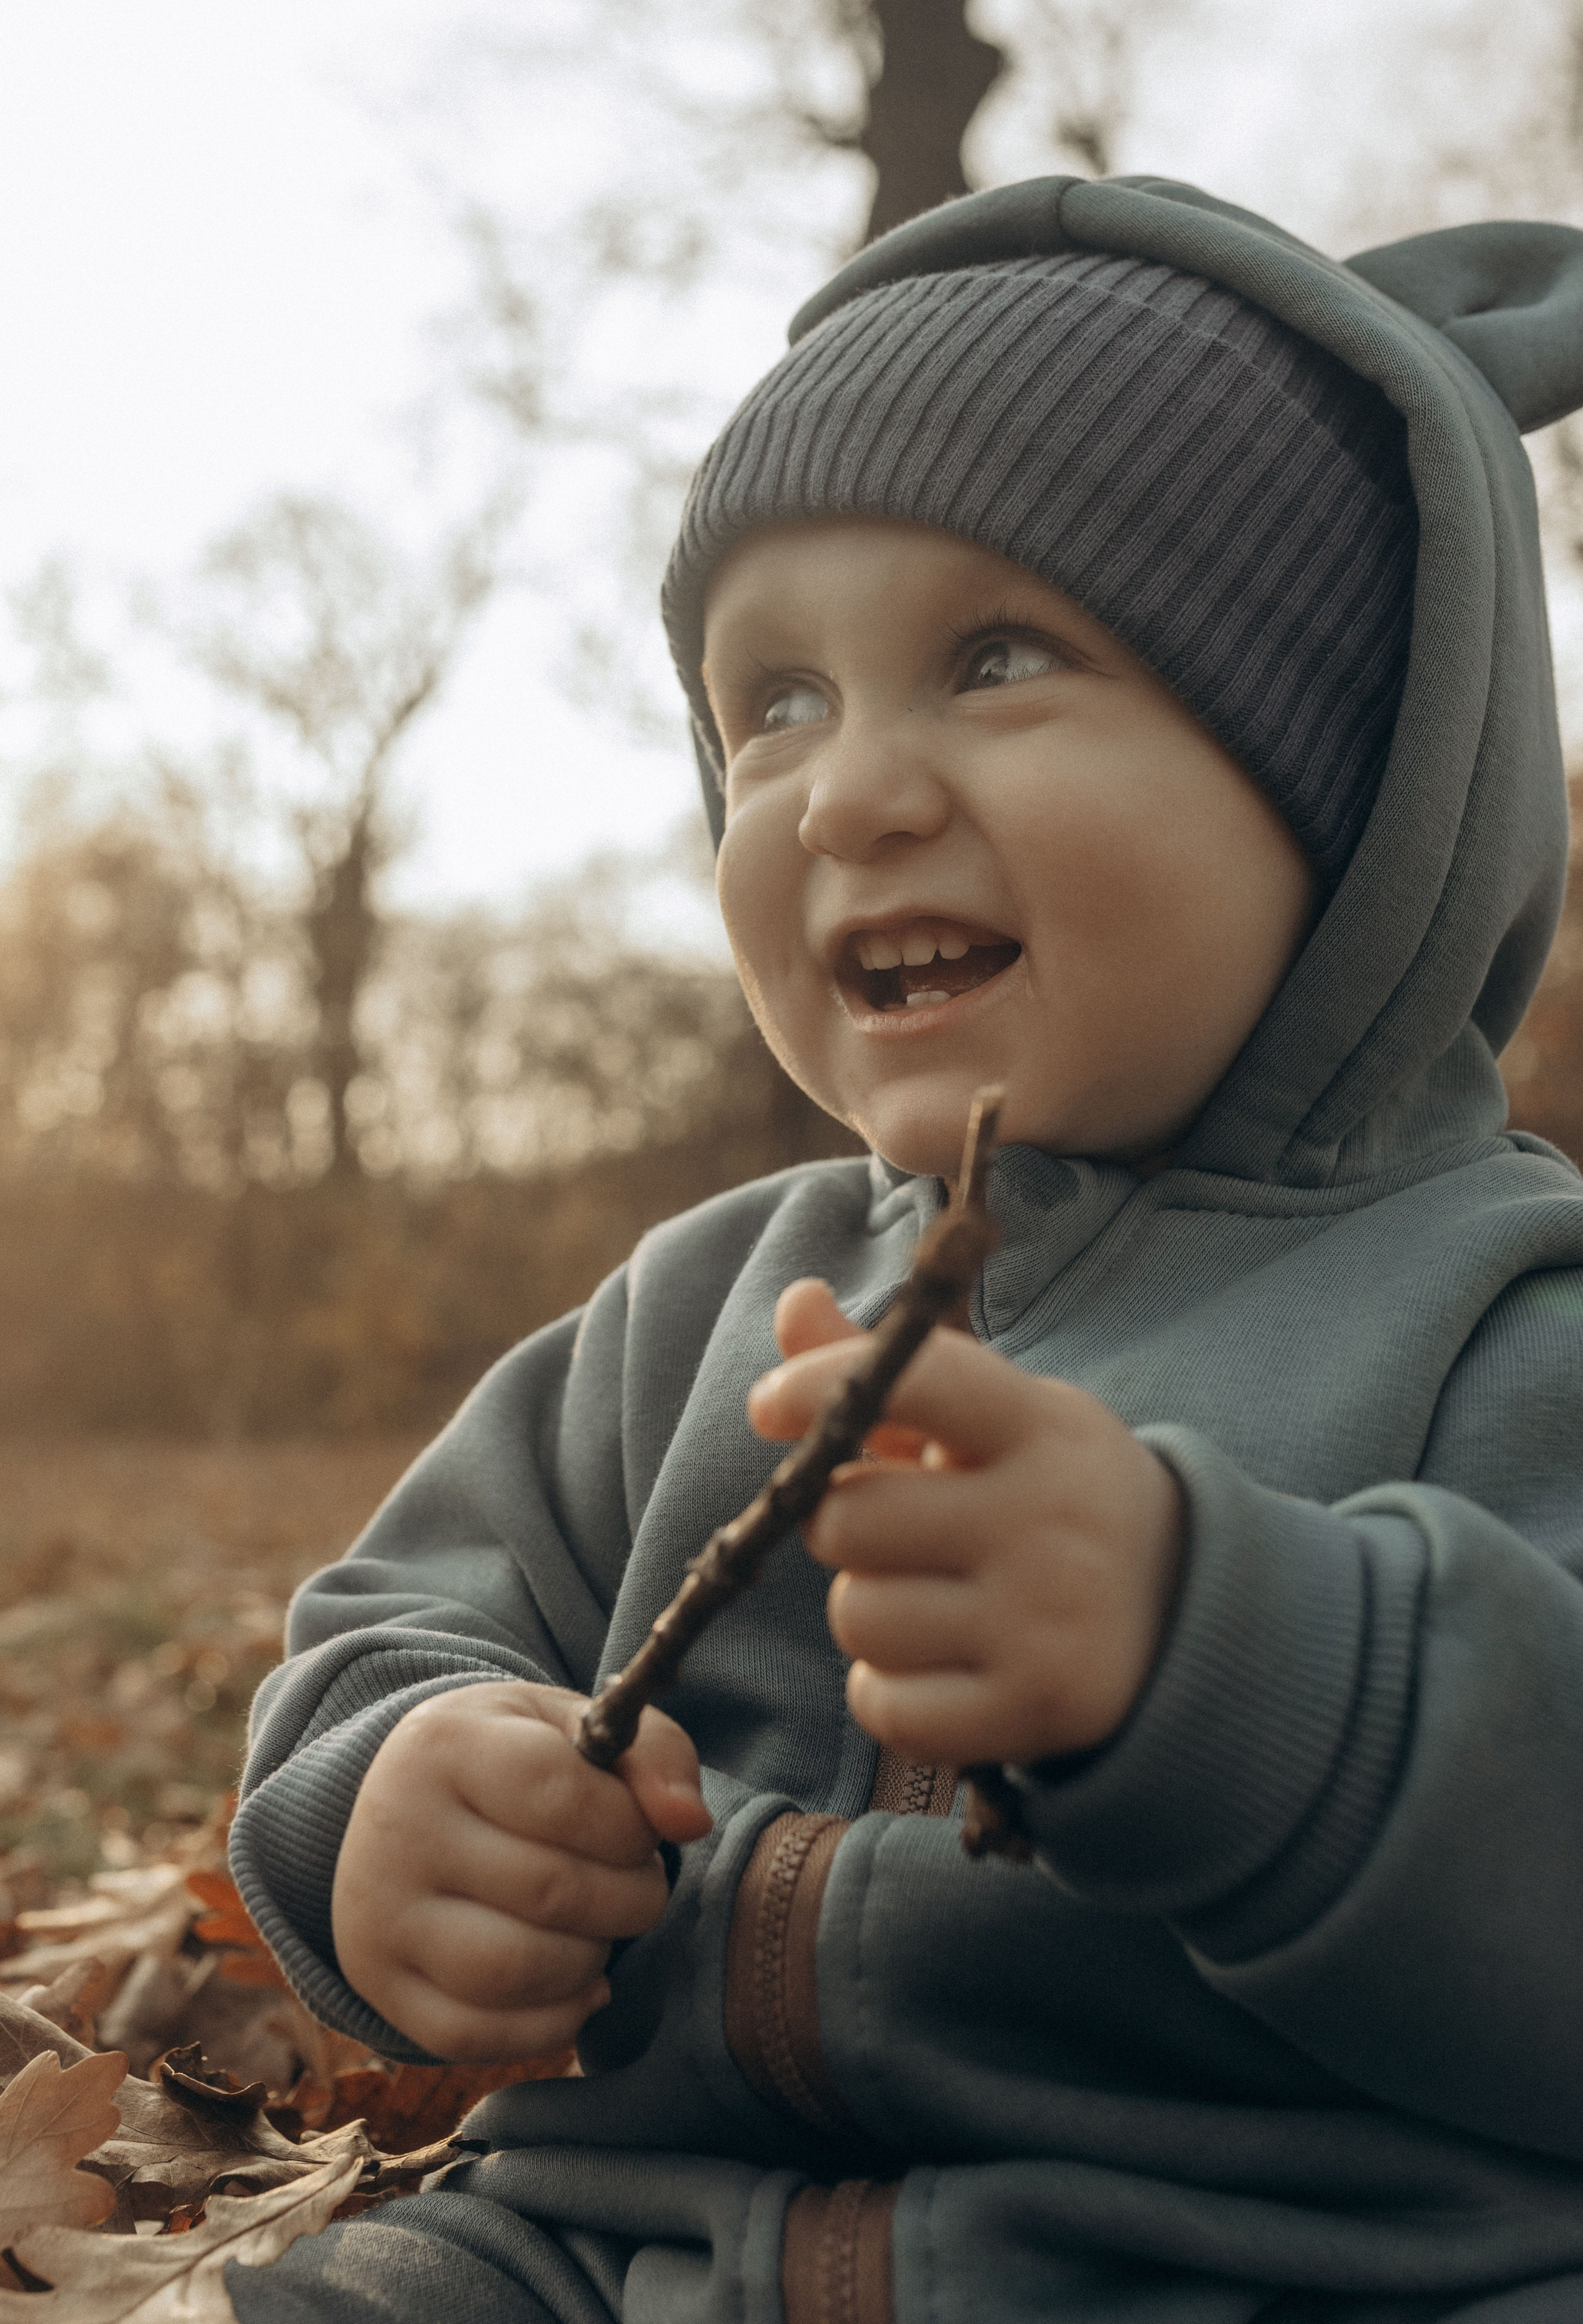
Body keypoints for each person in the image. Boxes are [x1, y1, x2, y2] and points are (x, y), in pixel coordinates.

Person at [228, 176, 1583, 2324]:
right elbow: (402, 1614)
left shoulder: (1511, 1317)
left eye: (999, 656)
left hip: (1301, 2264)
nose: (845, 795)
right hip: (614, 2257)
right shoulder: (694, 1311)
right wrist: (393, 1798)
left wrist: (1224, 1662)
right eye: (768, 703)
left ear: (1356, 785)